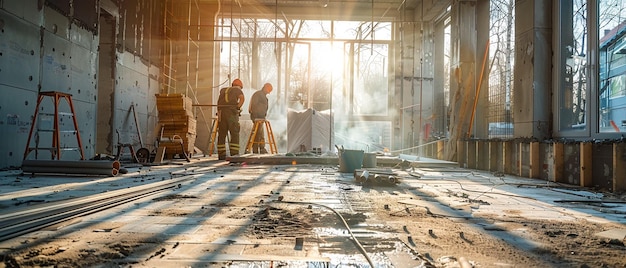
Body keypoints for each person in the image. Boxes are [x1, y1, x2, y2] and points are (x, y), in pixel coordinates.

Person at [216, 79, 245, 160]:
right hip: (231, 114)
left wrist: (219, 113)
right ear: (240, 86)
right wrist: (238, 107)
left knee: (222, 133)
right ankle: (234, 154)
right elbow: (242, 98)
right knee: (234, 132)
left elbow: (218, 103)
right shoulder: (237, 89)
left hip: (221, 113)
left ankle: (221, 155)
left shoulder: (223, 90)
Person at [248, 83, 273, 154]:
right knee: (258, 132)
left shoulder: (263, 97)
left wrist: (263, 116)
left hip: (260, 117)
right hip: (257, 116)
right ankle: (256, 148)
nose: (269, 92)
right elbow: (253, 105)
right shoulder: (258, 95)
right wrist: (256, 117)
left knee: (260, 132)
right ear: (265, 87)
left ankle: (261, 147)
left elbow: (264, 109)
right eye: (269, 90)